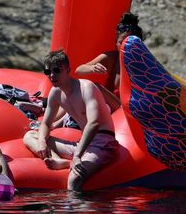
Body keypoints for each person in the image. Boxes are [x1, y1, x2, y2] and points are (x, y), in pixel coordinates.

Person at [23, 50, 118, 191]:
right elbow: (46, 123)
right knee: (30, 136)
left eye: (56, 70)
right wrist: (42, 141)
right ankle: (59, 161)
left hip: (102, 142)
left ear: (68, 70)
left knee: (74, 180)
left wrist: (78, 155)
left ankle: (75, 212)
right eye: (47, 72)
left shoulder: (86, 87)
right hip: (82, 144)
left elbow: (94, 123)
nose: (52, 75)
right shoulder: (56, 93)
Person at [75, 12, 144, 94]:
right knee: (94, 87)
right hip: (113, 103)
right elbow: (79, 70)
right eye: (121, 42)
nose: (125, 46)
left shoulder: (144, 62)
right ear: (116, 42)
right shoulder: (113, 58)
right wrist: (92, 68)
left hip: (132, 106)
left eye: (129, 42)